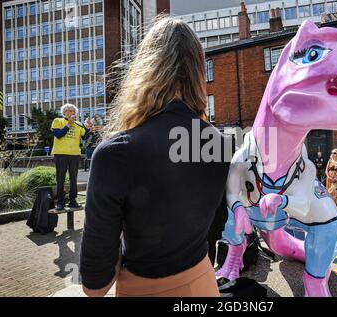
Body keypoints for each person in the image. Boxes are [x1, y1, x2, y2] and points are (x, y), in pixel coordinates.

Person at [80, 16, 230, 297]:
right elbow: (216, 229)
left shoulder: (116, 153)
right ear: (198, 72)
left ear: (145, 68)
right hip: (204, 283)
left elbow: (95, 284)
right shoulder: (219, 143)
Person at [51, 104, 91, 211]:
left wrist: (88, 129)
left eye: (73, 111)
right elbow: (58, 134)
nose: (71, 112)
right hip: (60, 153)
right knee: (61, 178)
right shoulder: (57, 120)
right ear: (64, 112)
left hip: (74, 154)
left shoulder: (78, 124)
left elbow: (85, 137)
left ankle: (73, 201)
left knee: (74, 178)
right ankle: (60, 202)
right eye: (69, 110)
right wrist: (69, 124)